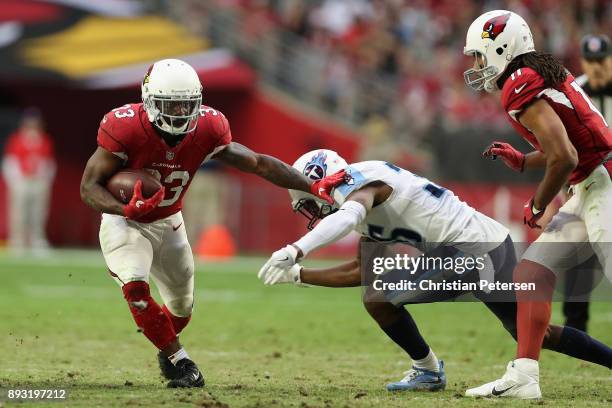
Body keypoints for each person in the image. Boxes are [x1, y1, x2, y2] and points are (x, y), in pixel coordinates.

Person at [79, 59, 344, 388]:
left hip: (169, 220)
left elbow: (258, 163)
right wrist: (124, 208)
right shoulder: (125, 126)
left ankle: (166, 346)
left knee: (181, 308)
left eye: (185, 104)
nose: (178, 112)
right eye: (169, 103)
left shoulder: (208, 128)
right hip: (126, 223)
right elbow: (88, 187)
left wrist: (311, 185)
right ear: (149, 100)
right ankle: (182, 364)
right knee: (135, 287)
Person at [257, 149, 612, 392]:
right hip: (483, 247)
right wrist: (300, 275)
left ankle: (427, 371)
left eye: (309, 203)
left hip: (474, 251)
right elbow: (362, 270)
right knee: (538, 334)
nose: (312, 212)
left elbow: (352, 218)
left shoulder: (359, 184)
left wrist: (296, 249)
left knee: (380, 298)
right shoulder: (358, 199)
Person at [462, 10, 611, 398]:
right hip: (591, 183)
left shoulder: (518, 83)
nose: (477, 65)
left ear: (500, 48)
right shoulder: (532, 74)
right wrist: (525, 160)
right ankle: (525, 376)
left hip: (604, 182)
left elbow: (565, 156)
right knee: (533, 271)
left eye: (479, 55)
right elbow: (570, 144)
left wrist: (537, 203)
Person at [561, 34, 612, 333]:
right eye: (590, 61)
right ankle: (575, 327)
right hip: (590, 182)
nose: (596, 68)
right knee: (578, 250)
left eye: (601, 60)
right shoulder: (574, 91)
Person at [2, 108, 56, 253]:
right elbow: (10, 161)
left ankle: (36, 240)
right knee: (19, 212)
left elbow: (48, 162)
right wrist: (14, 180)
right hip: (21, 181)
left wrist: (46, 180)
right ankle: (18, 241)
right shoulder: (16, 139)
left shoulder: (44, 140)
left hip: (38, 182)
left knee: (38, 212)